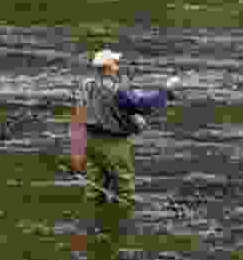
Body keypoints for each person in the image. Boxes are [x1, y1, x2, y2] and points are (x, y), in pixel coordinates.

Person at [70, 49, 178, 210]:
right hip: (114, 144)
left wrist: (77, 150)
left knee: (94, 188)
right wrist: (165, 91)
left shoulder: (86, 85)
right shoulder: (117, 91)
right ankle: (121, 226)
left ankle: (92, 225)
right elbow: (142, 105)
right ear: (108, 67)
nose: (118, 66)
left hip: (91, 143)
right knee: (124, 190)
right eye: (115, 63)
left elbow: (80, 116)